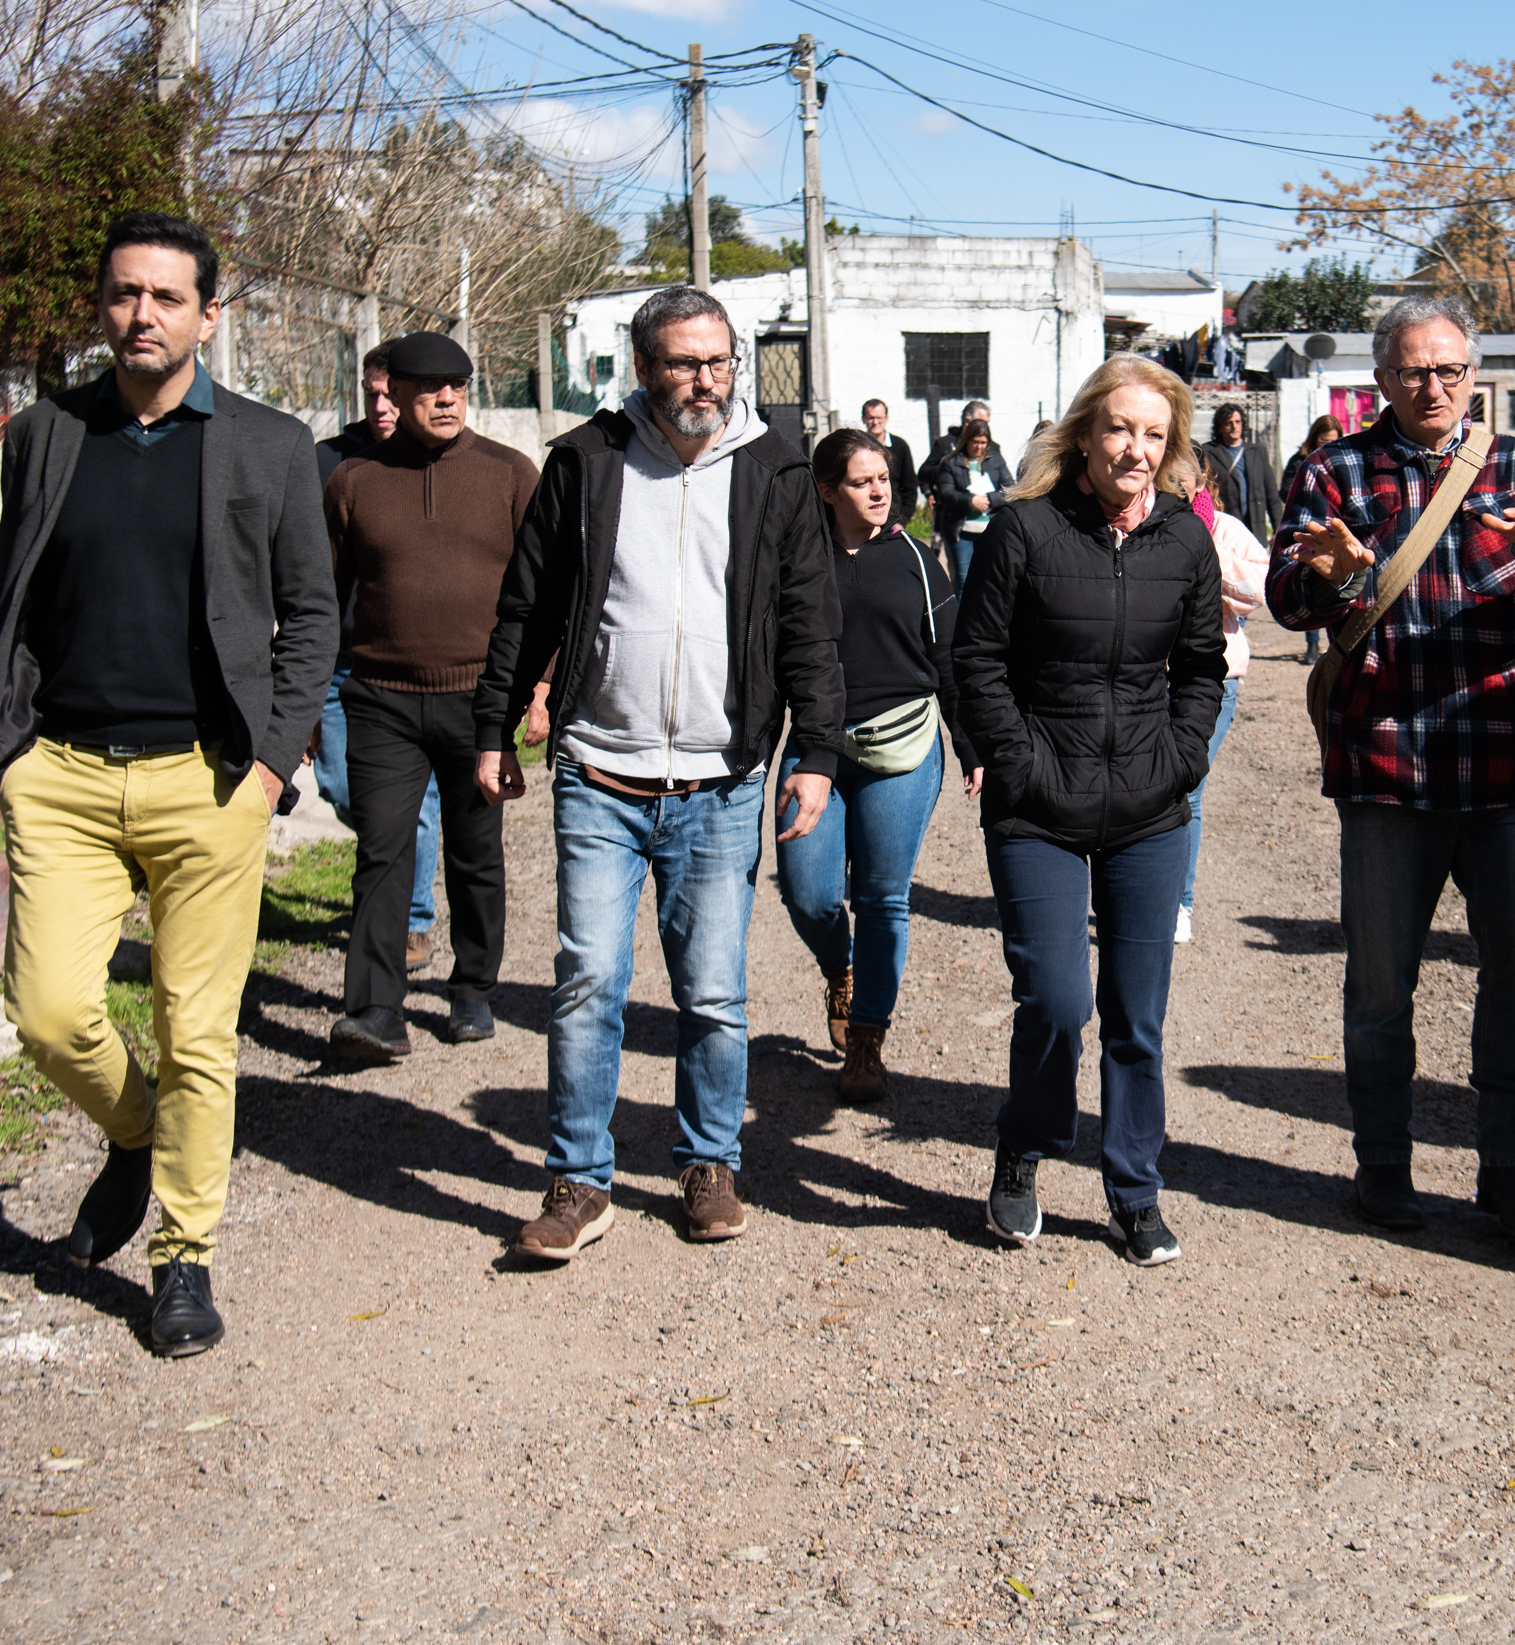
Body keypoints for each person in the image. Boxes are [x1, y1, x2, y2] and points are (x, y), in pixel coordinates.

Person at [0, 211, 336, 1358]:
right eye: (125, 294)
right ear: (102, 304)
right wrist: (12, 742)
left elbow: (313, 616)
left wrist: (273, 760)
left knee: (198, 1029)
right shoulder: (46, 434)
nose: (142, 315)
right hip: (62, 774)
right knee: (50, 1012)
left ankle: (183, 1258)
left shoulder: (270, 447)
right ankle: (135, 1132)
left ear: (208, 316)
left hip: (209, 779)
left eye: (167, 297)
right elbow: (11, 596)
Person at [475, 285, 845, 1260]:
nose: (705, 381)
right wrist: (494, 727)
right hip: (601, 772)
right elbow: (527, 606)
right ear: (644, 368)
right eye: (683, 363)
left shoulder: (773, 469)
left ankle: (708, 1162)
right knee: (587, 980)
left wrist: (815, 753)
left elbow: (809, 620)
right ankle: (578, 1180)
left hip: (721, 784)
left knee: (714, 993)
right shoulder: (587, 464)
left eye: (719, 361)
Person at [1268, 300, 1515, 1242]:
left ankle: (1507, 1172)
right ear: (1379, 380)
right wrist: (1336, 575)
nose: (1429, 388)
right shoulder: (1334, 469)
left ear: (1472, 374)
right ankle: (1383, 1170)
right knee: (1380, 984)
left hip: (1506, 773)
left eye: (1446, 371)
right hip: (1387, 773)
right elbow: (1282, 593)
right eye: (1408, 372)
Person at [953, 355, 1225, 1265]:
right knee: (1060, 1001)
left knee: (1137, 1016)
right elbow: (977, 659)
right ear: (1083, 435)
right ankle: (1024, 1149)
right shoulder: (1022, 530)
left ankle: (1135, 1190)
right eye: (1120, 429)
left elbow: (1200, 669)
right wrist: (1019, 762)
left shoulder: (1186, 541)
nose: (1136, 450)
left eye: (1155, 435)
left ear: (1171, 446)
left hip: (1150, 811)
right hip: (1039, 809)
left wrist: (1181, 762)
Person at [323, 332, 538, 1059]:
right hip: (380, 699)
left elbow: (543, 597)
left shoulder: (511, 476)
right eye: (430, 388)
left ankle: (472, 988)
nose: (447, 398)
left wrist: (536, 691)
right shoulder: (354, 480)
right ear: (396, 395)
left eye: (458, 385)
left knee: (475, 852)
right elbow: (326, 597)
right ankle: (375, 1011)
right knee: (381, 853)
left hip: (481, 703)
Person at [776, 429, 976, 1102]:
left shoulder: (919, 561)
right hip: (814, 751)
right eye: (861, 481)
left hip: (904, 750)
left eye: (884, 477)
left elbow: (950, 662)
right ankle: (842, 969)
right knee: (807, 892)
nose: (879, 490)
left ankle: (866, 1040)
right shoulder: (797, 562)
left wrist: (972, 746)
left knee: (882, 899)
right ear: (828, 490)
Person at [312, 345, 443, 976]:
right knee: (340, 785)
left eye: (395, 394)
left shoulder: (435, 462)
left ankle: (412, 919)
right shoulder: (328, 462)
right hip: (338, 664)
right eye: (374, 395)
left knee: (412, 802)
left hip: (404, 668)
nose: (383, 406)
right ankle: (396, 867)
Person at [1172, 481, 1266, 945]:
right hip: (1148, 676)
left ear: (1199, 480)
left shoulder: (1226, 531)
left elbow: (1259, 590)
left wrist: (1206, 549)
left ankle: (1179, 904)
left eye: (1182, 478)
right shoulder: (1136, 523)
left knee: (1187, 787)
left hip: (1215, 677)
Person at [1279, 414, 1343, 664]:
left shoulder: (1342, 460)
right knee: (1312, 583)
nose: (1326, 444)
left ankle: (1335, 644)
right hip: (1307, 530)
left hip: (1335, 532)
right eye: (1322, 439)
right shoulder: (1300, 461)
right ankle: (1313, 645)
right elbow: (1285, 489)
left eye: (1332, 440)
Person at [928, 416, 1014, 587]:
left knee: (991, 580)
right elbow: (945, 493)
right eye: (975, 441)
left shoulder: (996, 460)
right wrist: (971, 501)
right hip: (961, 533)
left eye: (983, 442)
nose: (979, 446)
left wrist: (990, 499)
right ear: (966, 440)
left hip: (990, 531)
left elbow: (1010, 489)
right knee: (963, 581)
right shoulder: (950, 462)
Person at [1200, 401, 1271, 543]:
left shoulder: (1257, 451)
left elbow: (1271, 492)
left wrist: (1279, 528)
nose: (1234, 426)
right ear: (1220, 427)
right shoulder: (1207, 452)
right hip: (1226, 524)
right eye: (1228, 423)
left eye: (1238, 422)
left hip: (1255, 524)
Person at [859, 397, 920, 529]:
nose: (875, 422)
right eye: (871, 418)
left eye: (879, 417)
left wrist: (901, 521)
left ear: (886, 418)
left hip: (893, 520)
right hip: (864, 519)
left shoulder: (900, 446)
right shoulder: (856, 449)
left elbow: (910, 486)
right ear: (864, 419)